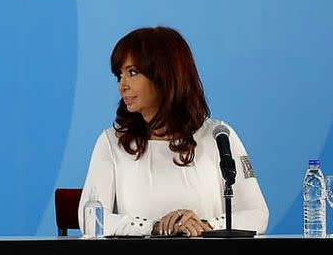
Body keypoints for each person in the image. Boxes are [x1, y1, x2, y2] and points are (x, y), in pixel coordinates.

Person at [78, 26, 268, 237]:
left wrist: (205, 225)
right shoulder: (112, 142)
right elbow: (89, 219)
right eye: (119, 75)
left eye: (132, 73)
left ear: (164, 74)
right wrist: (155, 226)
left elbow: (257, 214)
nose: (122, 86)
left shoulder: (220, 136)